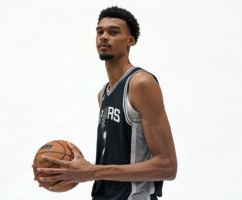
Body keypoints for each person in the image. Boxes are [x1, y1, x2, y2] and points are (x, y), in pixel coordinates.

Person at [36, 6, 177, 200]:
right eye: (99, 31)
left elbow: (167, 166)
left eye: (113, 32)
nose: (103, 36)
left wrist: (92, 171)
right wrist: (65, 172)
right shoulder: (103, 94)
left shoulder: (140, 84)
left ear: (130, 41)